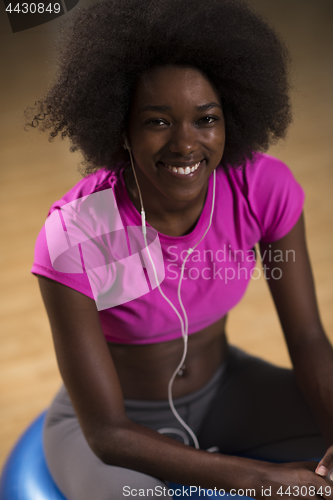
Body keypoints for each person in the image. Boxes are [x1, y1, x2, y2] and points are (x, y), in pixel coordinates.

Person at [27, 0, 333, 498]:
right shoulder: (75, 233)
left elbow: (308, 338)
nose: (186, 144)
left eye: (205, 118)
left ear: (230, 117)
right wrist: (263, 480)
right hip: (115, 426)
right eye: (158, 121)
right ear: (120, 128)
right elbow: (108, 433)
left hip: (230, 394)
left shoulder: (262, 189)